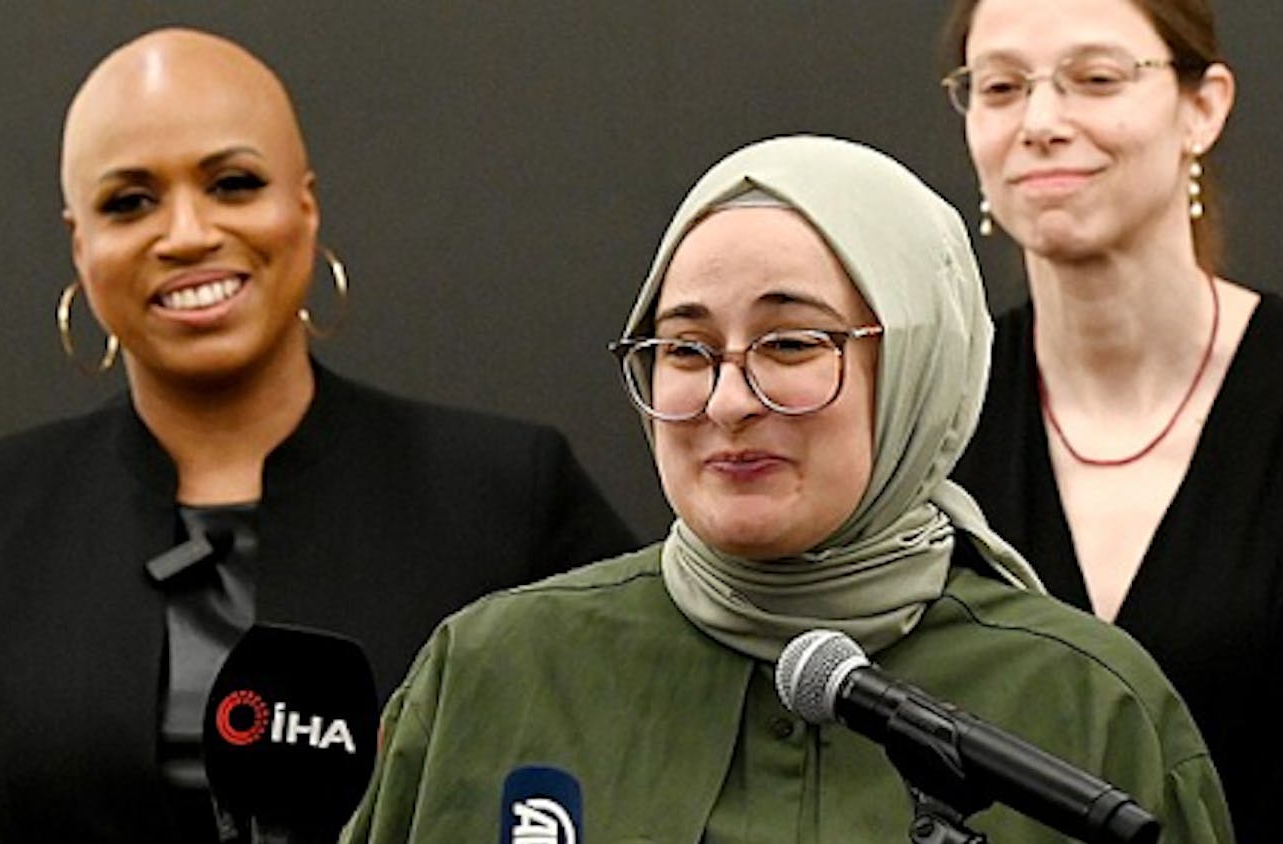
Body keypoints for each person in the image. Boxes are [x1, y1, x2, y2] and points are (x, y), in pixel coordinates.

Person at [342, 135, 1232, 843]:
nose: (728, 403)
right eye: (686, 350)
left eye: (792, 345)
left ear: (920, 371)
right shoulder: (499, 672)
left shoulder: (1085, 706)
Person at [0, 27, 639, 843]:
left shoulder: (505, 497)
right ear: (80, 245)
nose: (186, 234)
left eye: (233, 184)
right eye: (129, 202)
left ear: (304, 207)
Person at [938, 1, 1283, 841]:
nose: (1041, 123)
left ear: (1202, 106)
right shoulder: (930, 428)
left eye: (1096, 79)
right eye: (999, 86)